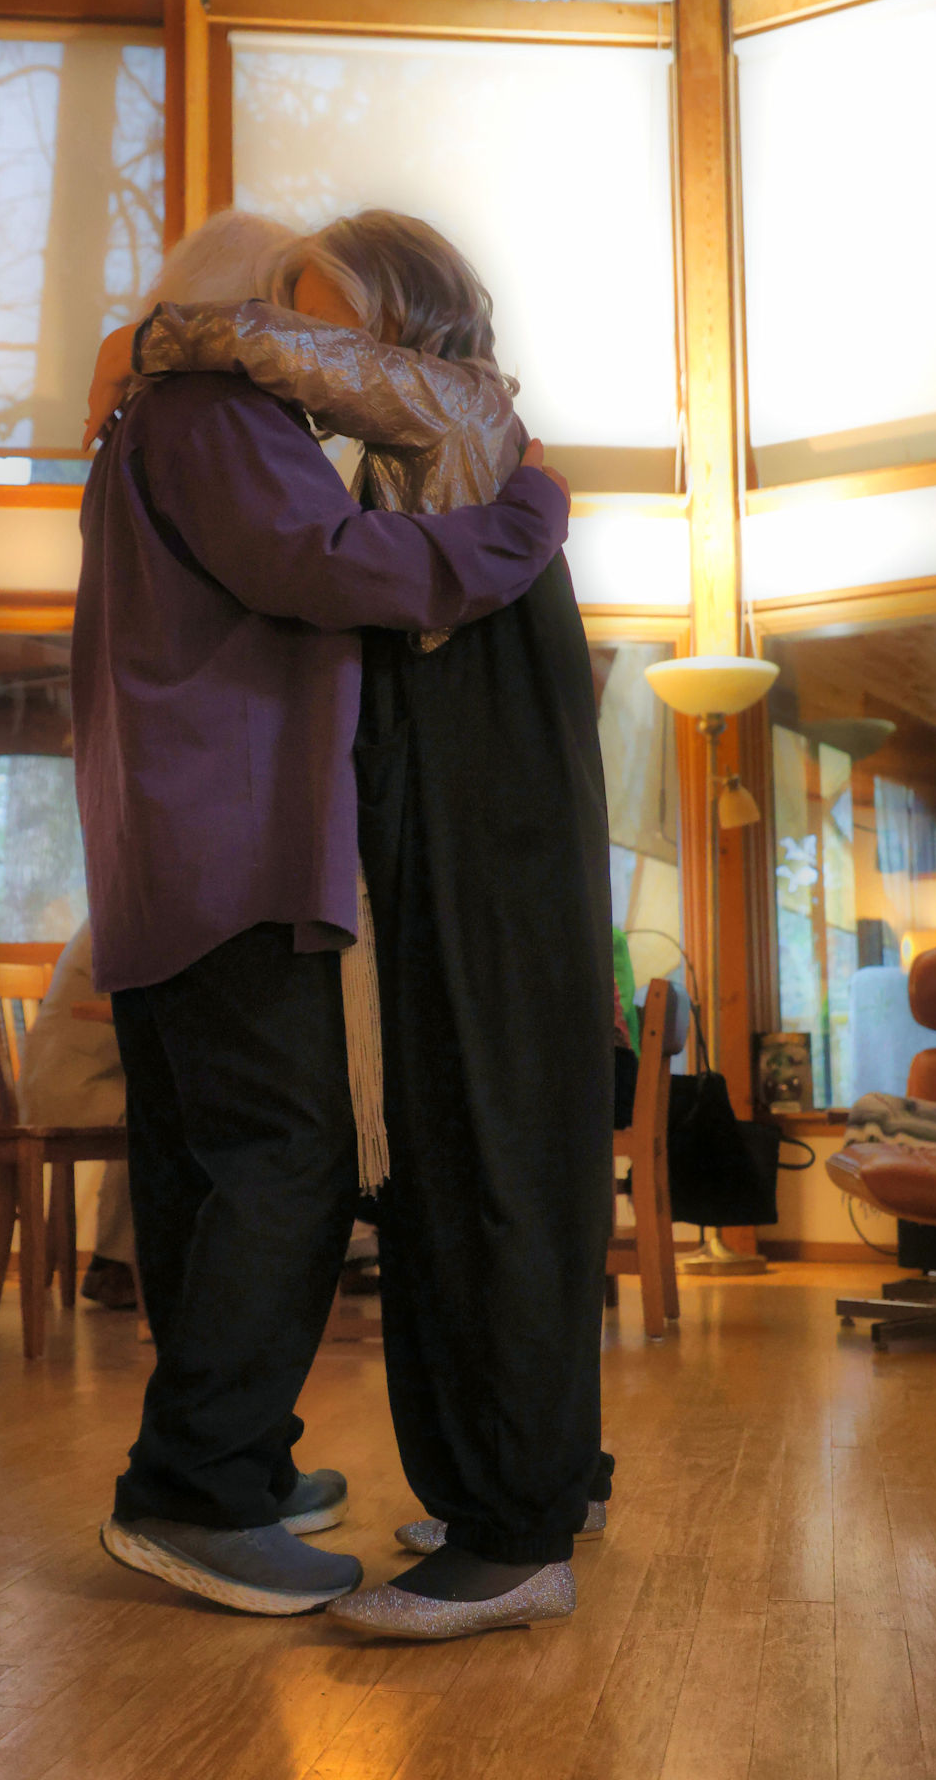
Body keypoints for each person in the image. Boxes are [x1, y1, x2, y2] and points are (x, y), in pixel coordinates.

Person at [73, 212, 570, 1618]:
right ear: (250, 317)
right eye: (296, 317)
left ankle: (238, 1461)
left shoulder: (138, 429)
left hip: (158, 854)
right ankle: (199, 1490)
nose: (315, 354)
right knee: (284, 1157)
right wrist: (528, 515)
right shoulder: (215, 411)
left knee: (199, 1168)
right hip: (237, 843)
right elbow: (341, 567)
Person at [15, 921, 136, 1311]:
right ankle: (119, 1265)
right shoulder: (130, 917)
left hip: (79, 1077)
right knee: (163, 1116)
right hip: (65, 1086)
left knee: (167, 1108)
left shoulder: (123, 909)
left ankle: (121, 1263)